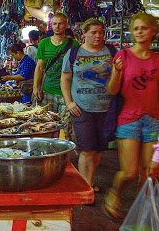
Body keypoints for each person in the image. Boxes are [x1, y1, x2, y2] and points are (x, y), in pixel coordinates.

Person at [103, 12, 159, 220]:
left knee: (149, 173)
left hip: (154, 120)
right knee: (129, 172)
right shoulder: (123, 55)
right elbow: (112, 90)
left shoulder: (158, 60)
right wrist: (116, 73)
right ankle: (115, 192)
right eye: (136, 28)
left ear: (153, 32)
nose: (139, 32)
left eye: (144, 28)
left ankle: (140, 211)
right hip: (129, 119)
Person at [61, 18, 115, 193]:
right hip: (82, 108)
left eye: (101, 32)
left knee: (98, 150)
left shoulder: (111, 51)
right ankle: (86, 187)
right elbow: (65, 78)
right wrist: (69, 102)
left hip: (106, 108)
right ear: (84, 33)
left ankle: (88, 180)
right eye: (93, 32)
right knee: (86, 150)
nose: (98, 36)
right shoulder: (74, 53)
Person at [33, 13, 79, 138]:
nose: (57, 26)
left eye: (60, 23)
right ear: (51, 26)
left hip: (67, 93)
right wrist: (35, 87)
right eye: (54, 24)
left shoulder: (74, 45)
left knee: (67, 127)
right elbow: (39, 67)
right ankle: (50, 155)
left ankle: (65, 156)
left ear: (66, 25)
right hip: (48, 91)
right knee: (47, 127)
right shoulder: (44, 43)